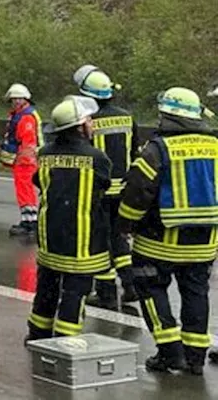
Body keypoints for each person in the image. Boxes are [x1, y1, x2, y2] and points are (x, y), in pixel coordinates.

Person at [117, 87, 218, 375]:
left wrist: (125, 226)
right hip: (204, 243)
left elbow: (137, 195)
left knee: (150, 289)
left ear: (167, 115)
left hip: (158, 243)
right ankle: (196, 358)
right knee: (196, 294)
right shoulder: (216, 146)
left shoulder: (156, 150)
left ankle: (170, 353)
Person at [26, 95, 111, 341]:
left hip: (50, 237)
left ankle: (37, 335)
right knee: (75, 294)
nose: (92, 125)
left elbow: (38, 182)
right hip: (82, 242)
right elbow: (104, 186)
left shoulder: (45, 154)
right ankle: (65, 341)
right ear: (80, 125)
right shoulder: (97, 158)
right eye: (89, 121)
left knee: (46, 290)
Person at [74, 66, 139, 308]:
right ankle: (131, 286)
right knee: (120, 238)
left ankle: (106, 293)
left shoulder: (86, 121)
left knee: (100, 241)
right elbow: (135, 152)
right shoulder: (126, 117)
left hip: (98, 190)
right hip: (123, 190)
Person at [0, 84, 43, 238]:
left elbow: (27, 142)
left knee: (26, 193)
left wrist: (19, 159)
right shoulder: (22, 114)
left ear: (25, 99)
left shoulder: (25, 118)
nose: (16, 102)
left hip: (25, 162)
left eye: (19, 99)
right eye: (14, 99)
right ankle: (29, 221)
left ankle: (30, 223)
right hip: (25, 161)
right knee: (25, 192)